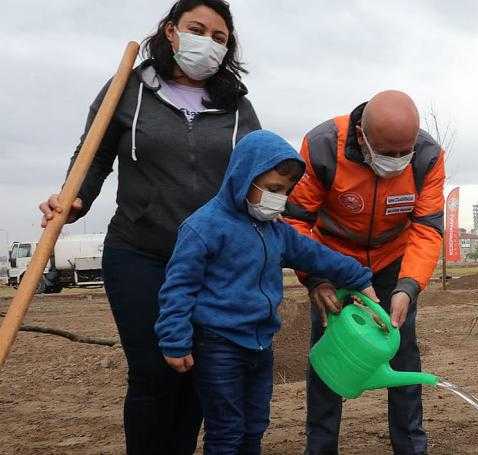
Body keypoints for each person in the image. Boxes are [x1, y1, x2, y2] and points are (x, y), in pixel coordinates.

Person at [38, 1, 261, 452]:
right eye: (197, 29)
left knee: (198, 369)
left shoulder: (237, 106)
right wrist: (74, 199)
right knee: (155, 369)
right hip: (140, 251)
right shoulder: (129, 88)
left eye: (220, 38)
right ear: (170, 31)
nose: (209, 43)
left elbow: (256, 171)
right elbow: (94, 155)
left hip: (209, 262)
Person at [155, 130, 378, 454]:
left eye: (286, 191)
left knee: (255, 424)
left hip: (260, 344)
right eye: (273, 189)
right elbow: (178, 287)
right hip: (218, 345)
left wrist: (359, 278)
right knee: (226, 430)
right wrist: (174, 339)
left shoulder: (276, 231)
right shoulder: (203, 227)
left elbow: (316, 255)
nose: (280, 198)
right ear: (244, 178)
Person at [284, 90, 445, 455]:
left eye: (403, 153)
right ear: (362, 136)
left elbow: (426, 227)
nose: (396, 161)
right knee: (330, 356)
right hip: (331, 262)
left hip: (392, 263)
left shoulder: (427, 156)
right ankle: (321, 447)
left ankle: (410, 446)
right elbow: (297, 221)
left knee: (403, 355)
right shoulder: (323, 145)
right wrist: (317, 278)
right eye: (386, 153)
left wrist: (408, 286)